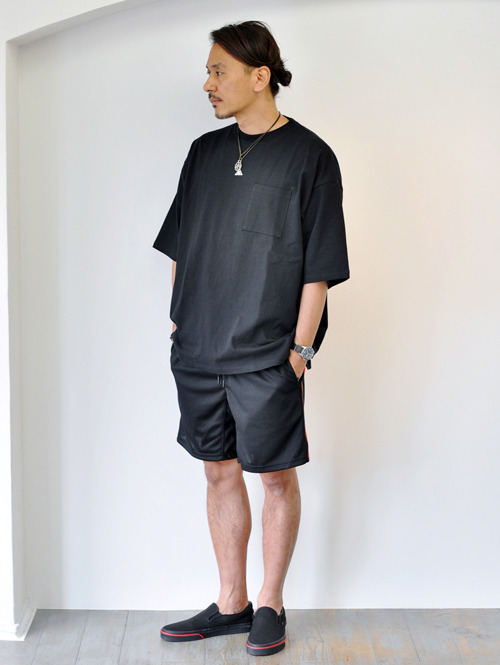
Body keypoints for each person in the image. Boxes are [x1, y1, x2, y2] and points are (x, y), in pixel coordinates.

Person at [153, 20, 349, 657]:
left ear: (259, 76)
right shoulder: (203, 153)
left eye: (219, 71)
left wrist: (301, 351)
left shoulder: (311, 157)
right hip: (199, 349)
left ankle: (270, 604)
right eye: (208, 70)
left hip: (268, 355)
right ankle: (231, 603)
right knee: (218, 474)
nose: (207, 83)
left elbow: (320, 266)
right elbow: (181, 244)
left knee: (275, 479)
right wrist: (179, 320)